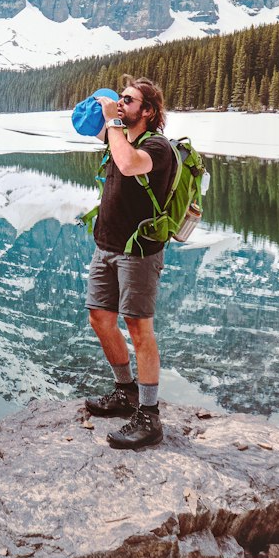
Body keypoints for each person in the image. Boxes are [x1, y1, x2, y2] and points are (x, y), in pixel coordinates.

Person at [84, 76, 176, 450]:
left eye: (129, 100)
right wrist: (102, 112)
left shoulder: (157, 146)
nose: (120, 103)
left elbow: (127, 163)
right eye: (120, 98)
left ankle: (150, 416)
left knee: (139, 327)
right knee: (99, 318)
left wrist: (114, 123)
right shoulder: (122, 135)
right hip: (105, 247)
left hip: (138, 251)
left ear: (148, 111)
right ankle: (125, 392)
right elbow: (90, 129)